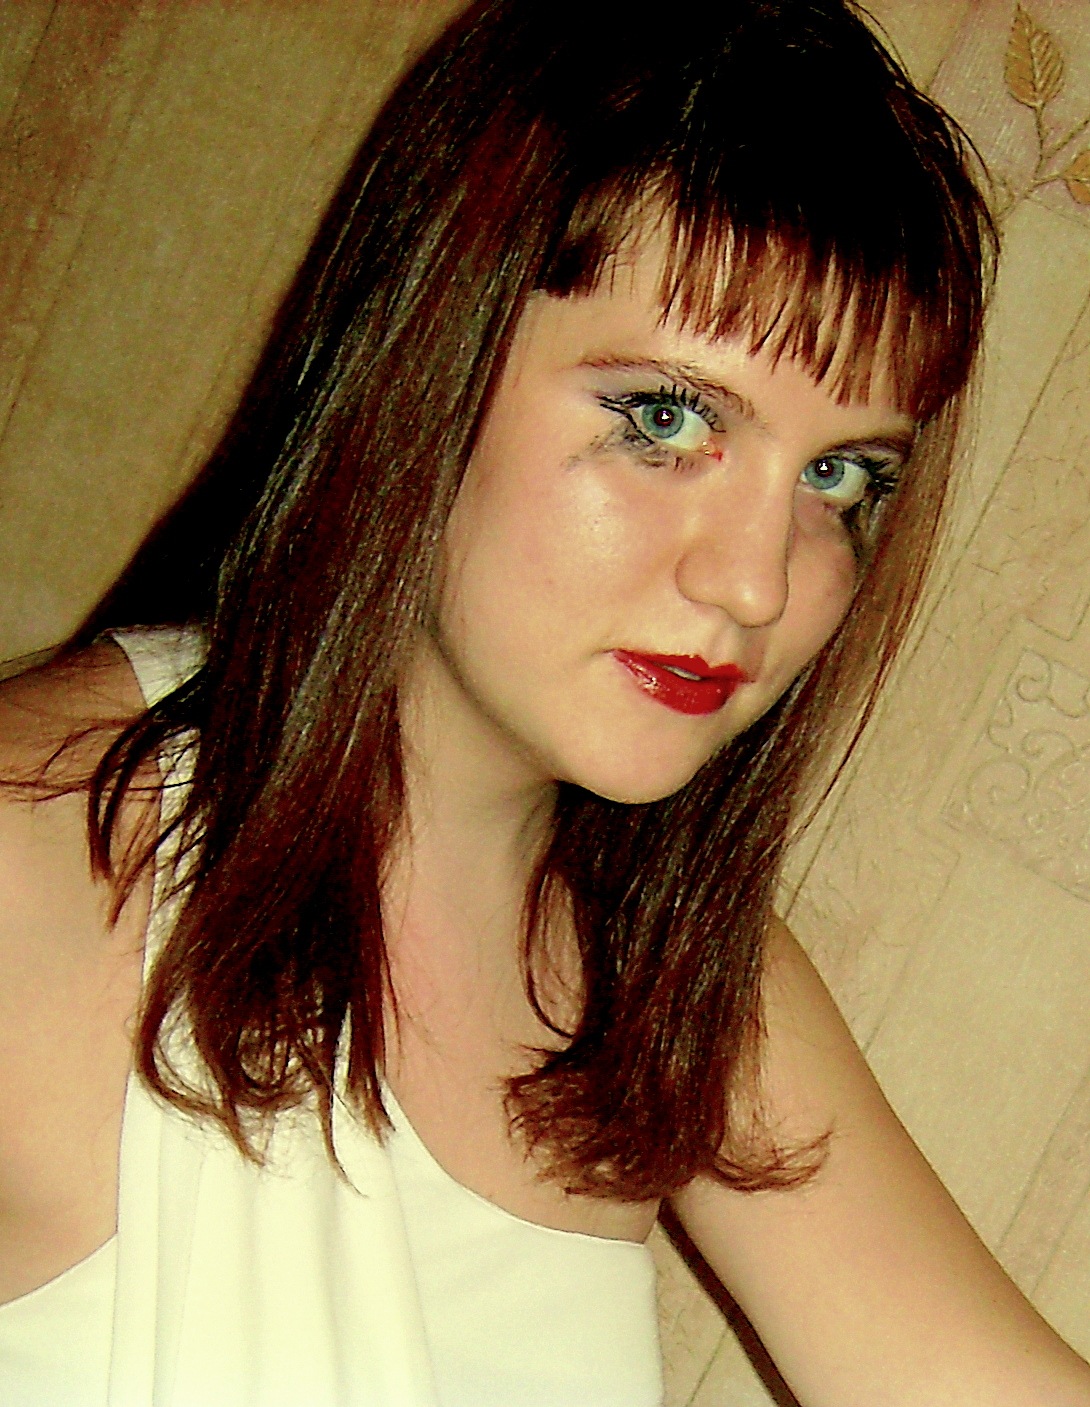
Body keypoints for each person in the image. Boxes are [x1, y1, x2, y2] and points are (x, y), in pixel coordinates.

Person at [0, 0, 1087, 1403]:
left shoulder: (669, 974)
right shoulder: (36, 860)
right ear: (424, 359)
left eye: (838, 477)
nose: (758, 582)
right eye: (665, 419)